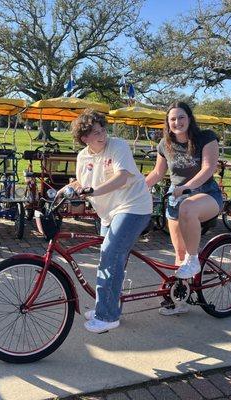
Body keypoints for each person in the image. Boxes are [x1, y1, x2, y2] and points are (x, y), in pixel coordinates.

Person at [58, 109, 152, 333]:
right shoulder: (83, 156)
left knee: (111, 254)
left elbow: (121, 178)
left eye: (103, 130)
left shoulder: (117, 146)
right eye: (95, 133)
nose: (102, 135)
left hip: (134, 206)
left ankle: (108, 316)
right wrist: (61, 192)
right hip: (108, 213)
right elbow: (80, 183)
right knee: (111, 260)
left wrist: (93, 192)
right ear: (84, 138)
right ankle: (108, 306)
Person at [145, 101, 224, 316]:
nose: (177, 122)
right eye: (173, 119)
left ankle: (193, 260)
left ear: (189, 119)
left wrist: (187, 187)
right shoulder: (165, 144)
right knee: (178, 252)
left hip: (206, 194)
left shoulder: (206, 138)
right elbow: (157, 174)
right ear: (167, 122)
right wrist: (137, 188)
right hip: (175, 198)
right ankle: (181, 300)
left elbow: (209, 168)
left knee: (188, 208)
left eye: (181, 117)